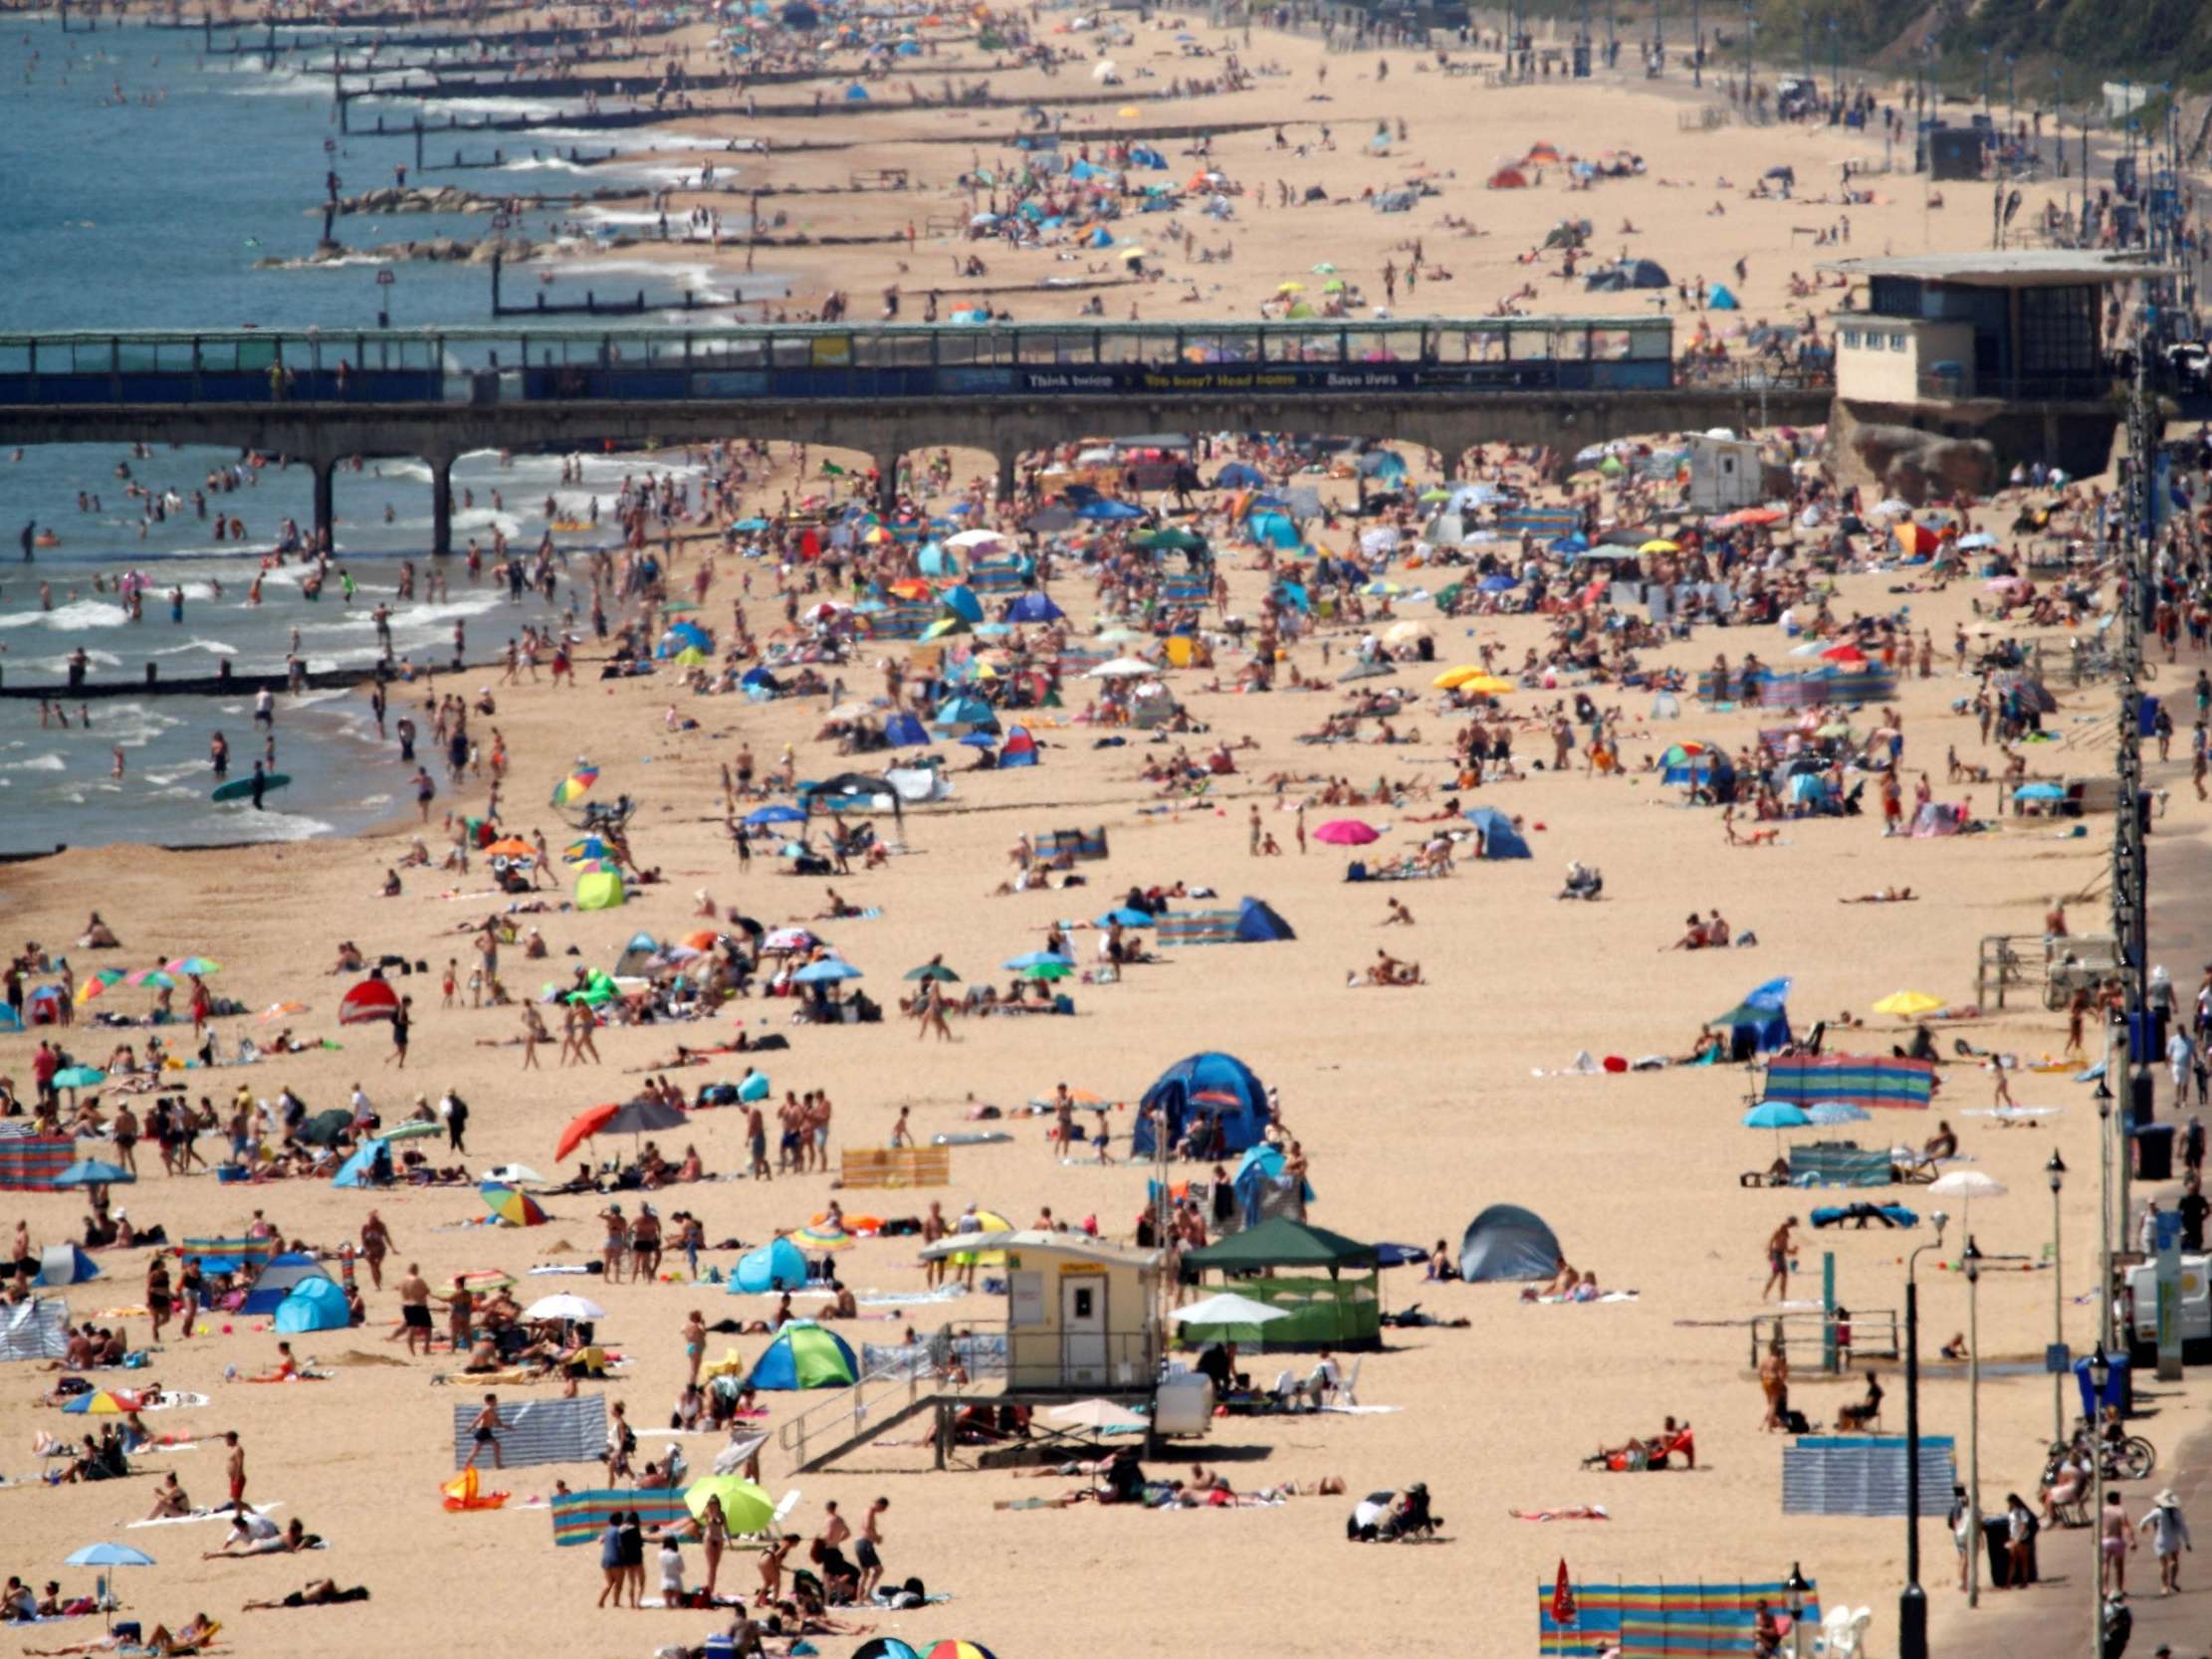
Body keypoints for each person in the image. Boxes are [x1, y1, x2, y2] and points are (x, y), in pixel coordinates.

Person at [2140, 1488, 2192, 1594]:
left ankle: (2164, 1586)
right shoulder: (2177, 1512)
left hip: (2161, 1541)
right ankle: (2173, 1581)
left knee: (2163, 1566)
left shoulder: (2158, 1511)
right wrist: (2187, 1542)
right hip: (2174, 1541)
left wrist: (2142, 1527)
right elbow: (2183, 1528)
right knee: (2174, 1561)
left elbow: (2144, 1520)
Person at [2101, 1488, 2137, 1594]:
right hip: (2117, 1540)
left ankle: (2105, 1588)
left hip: (2105, 1540)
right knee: (2119, 1567)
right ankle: (2119, 1589)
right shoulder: (2120, 1511)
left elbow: (2096, 1525)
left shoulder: (2103, 1510)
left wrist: (2094, 1538)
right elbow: (2126, 1527)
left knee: (2105, 1565)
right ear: (2116, 1499)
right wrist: (2132, 1541)